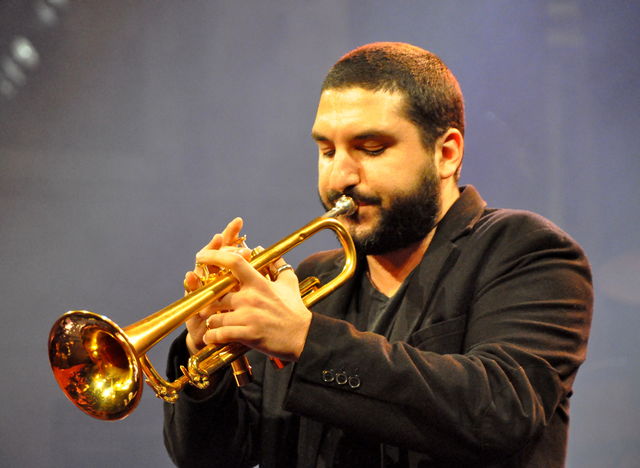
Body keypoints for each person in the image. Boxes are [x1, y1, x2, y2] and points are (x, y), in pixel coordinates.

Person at [163, 42, 593, 468]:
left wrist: (305, 340)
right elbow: (212, 457)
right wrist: (206, 360)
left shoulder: (527, 251)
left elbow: (502, 412)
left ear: (446, 153)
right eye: (327, 151)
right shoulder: (313, 280)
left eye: (371, 149)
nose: (341, 176)